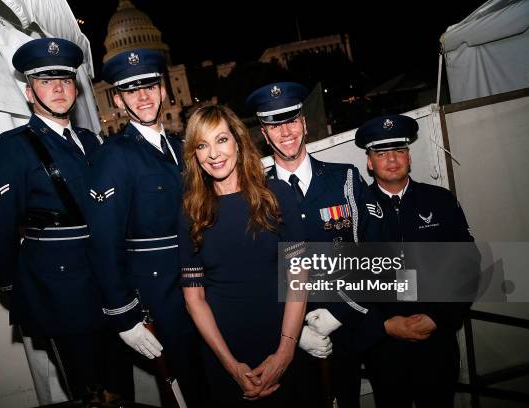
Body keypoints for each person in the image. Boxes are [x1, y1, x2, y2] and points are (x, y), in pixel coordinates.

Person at [0, 38, 128, 403]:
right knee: (89, 392)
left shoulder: (92, 142)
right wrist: (16, 285)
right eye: (46, 81)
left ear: (75, 87)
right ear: (30, 92)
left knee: (121, 388)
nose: (58, 88)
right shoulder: (12, 149)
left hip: (109, 286)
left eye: (64, 79)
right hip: (61, 295)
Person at [246, 82, 387, 407]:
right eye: (274, 124)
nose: (285, 132)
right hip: (286, 342)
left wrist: (341, 311)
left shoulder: (346, 180)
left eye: (291, 120)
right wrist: (293, 337)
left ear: (304, 123)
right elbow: (254, 276)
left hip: (349, 329)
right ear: (264, 135)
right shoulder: (256, 196)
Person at [178, 104, 326, 407]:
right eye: (202, 145)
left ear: (238, 142)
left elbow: (299, 278)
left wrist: (285, 353)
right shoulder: (190, 211)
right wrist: (231, 366)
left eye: (221, 140)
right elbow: (195, 299)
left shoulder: (277, 195)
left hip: (285, 340)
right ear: (195, 154)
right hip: (225, 353)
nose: (214, 154)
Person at [86, 48, 203, 406]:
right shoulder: (114, 156)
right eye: (131, 89)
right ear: (119, 100)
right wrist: (125, 318)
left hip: (200, 286)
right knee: (184, 391)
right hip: (160, 296)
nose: (143, 96)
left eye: (150, 85)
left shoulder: (181, 147)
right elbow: (104, 243)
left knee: (209, 381)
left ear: (163, 89)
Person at [355, 114, 478, 407]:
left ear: (409, 156)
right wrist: (384, 324)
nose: (392, 160)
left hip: (436, 342)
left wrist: (439, 317)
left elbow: (467, 266)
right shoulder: (355, 210)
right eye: (381, 153)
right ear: (370, 162)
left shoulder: (439, 201)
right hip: (384, 347)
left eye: (398, 151)